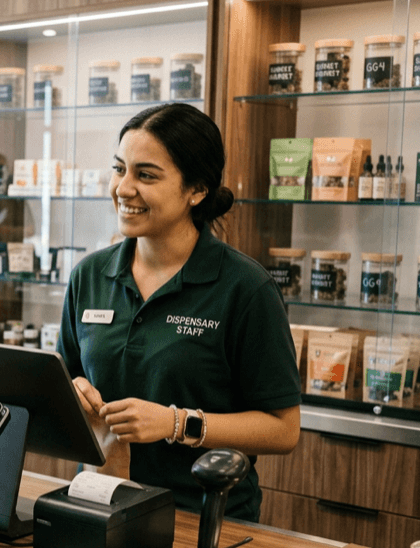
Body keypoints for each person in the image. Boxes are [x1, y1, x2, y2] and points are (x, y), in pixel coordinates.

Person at [57, 103, 300, 523]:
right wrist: (74, 391)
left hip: (200, 518)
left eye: (146, 175)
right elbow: (64, 376)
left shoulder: (245, 288)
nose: (123, 188)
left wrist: (176, 423)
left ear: (197, 189)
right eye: (120, 169)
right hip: (97, 504)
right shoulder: (90, 276)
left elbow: (283, 429)